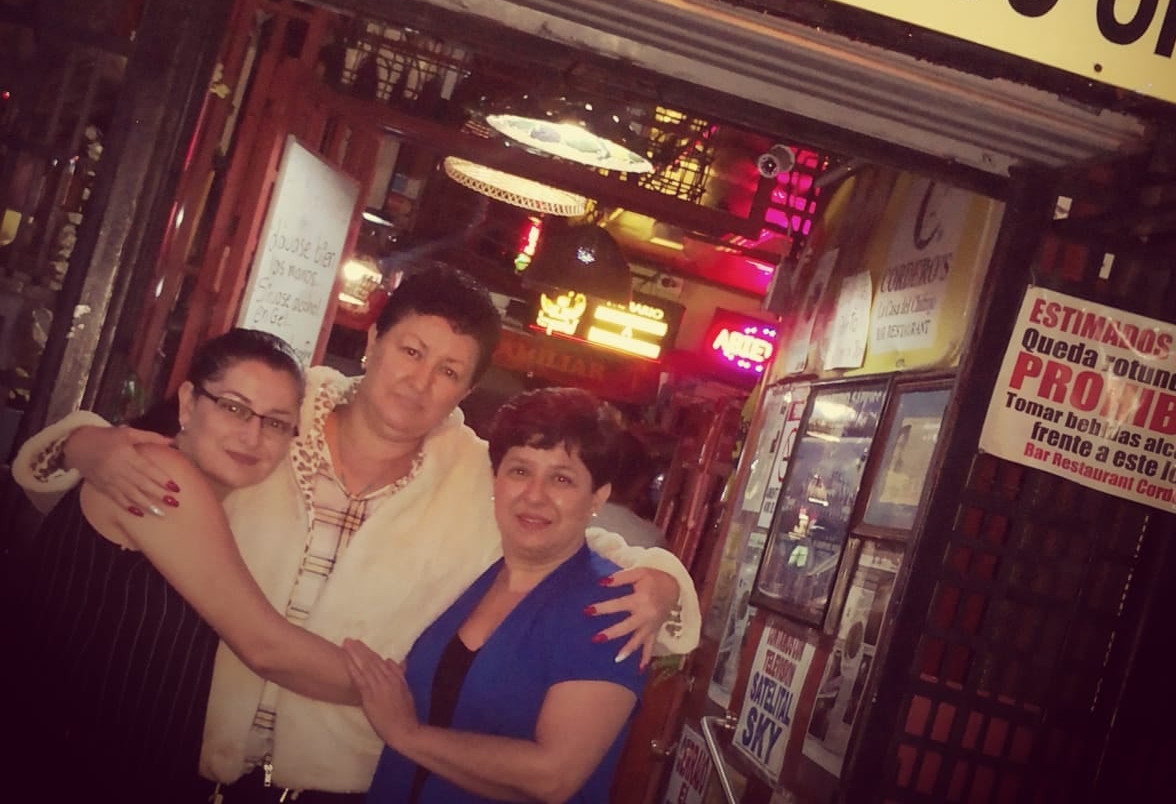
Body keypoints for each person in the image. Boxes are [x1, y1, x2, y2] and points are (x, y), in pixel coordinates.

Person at [13, 263, 699, 803]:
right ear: (372, 342)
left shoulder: (477, 479)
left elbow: (571, 538)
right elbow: (147, 455)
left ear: (466, 391)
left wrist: (664, 583)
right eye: (411, 351)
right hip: (181, 756)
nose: (419, 382)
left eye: (448, 371)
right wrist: (84, 444)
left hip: (341, 784)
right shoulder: (273, 416)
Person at [1, 328, 358, 804]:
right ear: (189, 402)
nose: (252, 436)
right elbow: (265, 646)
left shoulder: (223, 503)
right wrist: (400, 696)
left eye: (275, 423)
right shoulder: (159, 475)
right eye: (233, 407)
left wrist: (78, 441)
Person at [346, 386, 649, 804]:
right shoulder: (475, 573)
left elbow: (554, 777)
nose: (534, 495)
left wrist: (407, 734)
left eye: (562, 479)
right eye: (520, 471)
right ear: (495, 481)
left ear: (597, 497)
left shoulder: (611, 605)